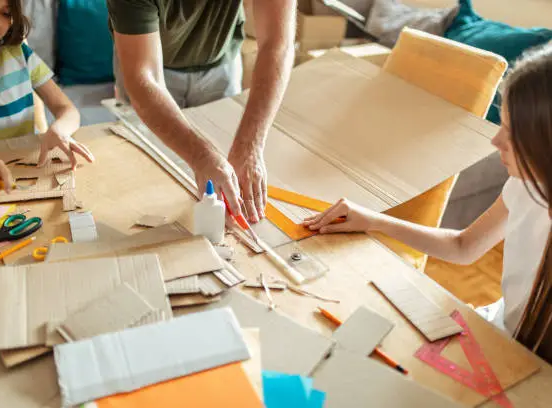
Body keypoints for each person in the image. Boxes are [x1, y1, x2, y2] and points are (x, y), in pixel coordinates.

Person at [304, 44, 552, 362]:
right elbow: (464, 246)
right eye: (501, 125)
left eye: (512, 132)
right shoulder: (523, 184)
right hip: (502, 330)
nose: (495, 141)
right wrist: (373, 220)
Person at [108, 0, 296, 224]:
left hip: (219, 63)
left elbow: (277, 44)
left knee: (225, 180)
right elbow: (143, 78)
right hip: (150, 65)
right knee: (144, 181)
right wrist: (201, 156)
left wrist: (250, 146)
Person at [0, 0, 94, 201]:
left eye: (6, 13)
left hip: (22, 183)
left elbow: (67, 109)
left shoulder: (20, 54)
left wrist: (60, 130)